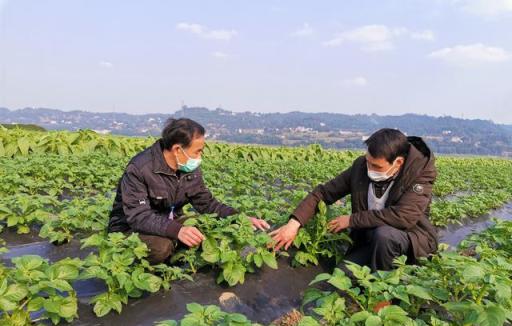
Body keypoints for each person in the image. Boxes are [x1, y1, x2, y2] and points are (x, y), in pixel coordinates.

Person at [270, 128, 438, 272]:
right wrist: (294, 224)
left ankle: (383, 296)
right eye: (368, 162)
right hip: (370, 240)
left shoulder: (420, 173)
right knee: (341, 276)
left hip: (410, 242)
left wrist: (351, 220)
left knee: (385, 235)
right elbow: (323, 193)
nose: (370, 170)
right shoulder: (361, 167)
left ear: (398, 162)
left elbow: (404, 216)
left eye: (377, 167)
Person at [108, 118, 270, 264]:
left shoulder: (189, 169)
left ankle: (178, 249)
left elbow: (207, 204)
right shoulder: (140, 168)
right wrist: (177, 231)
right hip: (130, 229)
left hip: (168, 221)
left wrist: (240, 218)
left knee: (208, 228)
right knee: (161, 247)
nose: (199, 157)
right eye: (197, 151)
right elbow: (139, 217)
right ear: (178, 149)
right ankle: (152, 259)